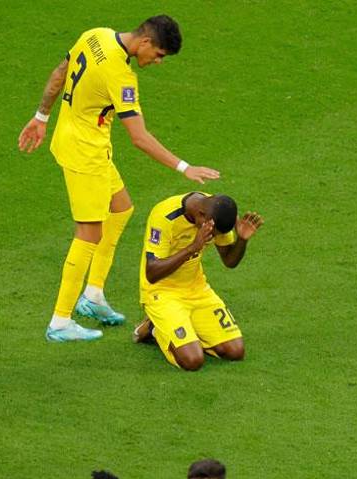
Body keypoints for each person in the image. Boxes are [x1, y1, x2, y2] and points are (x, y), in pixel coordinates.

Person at [17, 15, 220, 342]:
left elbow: (60, 71)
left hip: (80, 142)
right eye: (159, 55)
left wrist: (41, 116)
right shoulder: (122, 77)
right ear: (146, 43)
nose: (157, 62)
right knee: (88, 232)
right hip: (86, 155)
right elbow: (139, 137)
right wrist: (185, 167)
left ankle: (93, 296)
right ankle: (60, 320)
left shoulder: (95, 35)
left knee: (121, 207)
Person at [135, 192, 263, 371]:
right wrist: (192, 248)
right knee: (192, 360)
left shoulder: (216, 212)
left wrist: (241, 240)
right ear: (202, 215)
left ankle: (175, 327)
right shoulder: (164, 216)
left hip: (197, 290)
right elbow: (152, 273)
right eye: (212, 232)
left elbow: (229, 261)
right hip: (162, 292)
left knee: (236, 351)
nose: (212, 236)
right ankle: (154, 328)